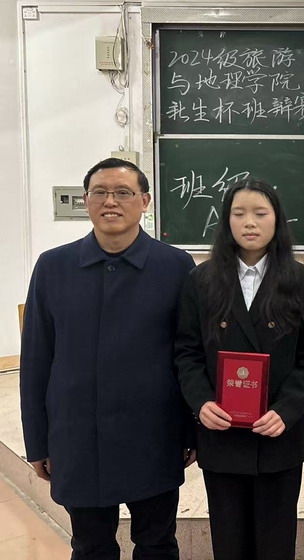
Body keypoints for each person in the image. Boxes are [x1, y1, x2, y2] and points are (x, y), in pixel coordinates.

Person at [20, 157, 196, 559]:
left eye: (123, 192)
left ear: (145, 201)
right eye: (99, 192)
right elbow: (36, 360)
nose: (110, 201)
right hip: (77, 437)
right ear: (86, 200)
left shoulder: (175, 266)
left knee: (157, 543)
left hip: (153, 434)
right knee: (90, 545)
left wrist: (191, 432)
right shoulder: (53, 266)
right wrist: (37, 440)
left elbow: (188, 355)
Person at [174, 177, 304, 560]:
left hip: (278, 436)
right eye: (239, 213)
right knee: (229, 542)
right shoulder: (201, 280)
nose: (249, 222)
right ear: (226, 220)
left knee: (277, 544)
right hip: (221, 435)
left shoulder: (300, 280)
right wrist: (201, 402)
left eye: (260, 213)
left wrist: (286, 410)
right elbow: (187, 352)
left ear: (277, 220)